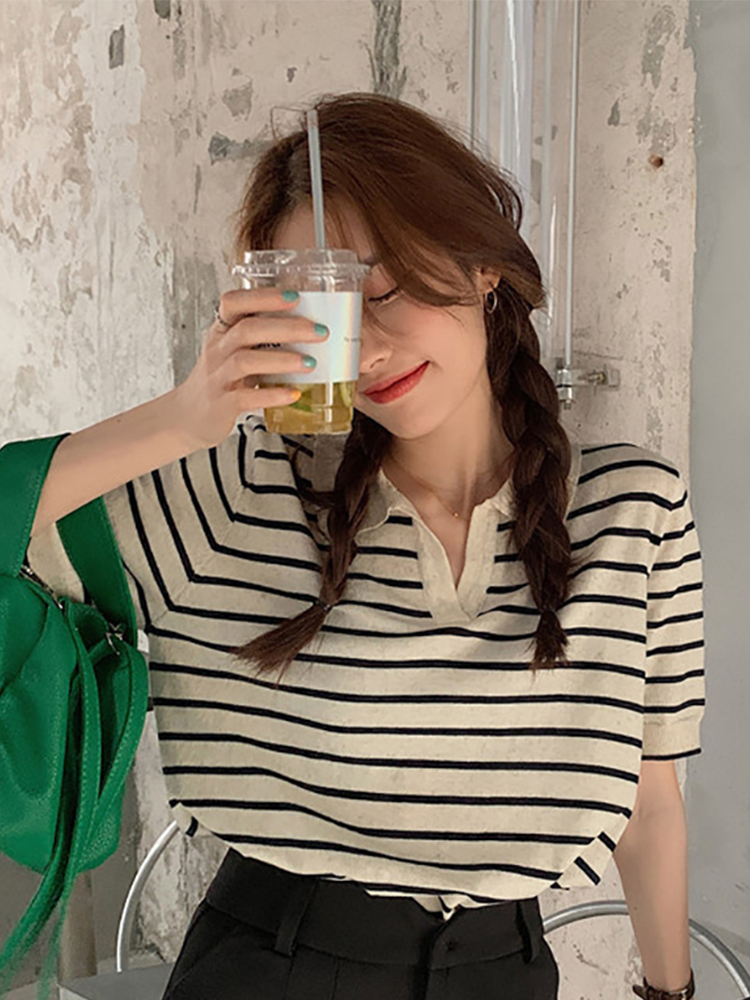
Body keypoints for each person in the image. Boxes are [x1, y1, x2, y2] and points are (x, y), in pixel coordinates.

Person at [24, 92, 704, 1000]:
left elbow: (649, 801)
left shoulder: (634, 510)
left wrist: (671, 992)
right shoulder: (236, 493)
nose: (367, 348)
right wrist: (181, 420)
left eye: (384, 291)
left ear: (484, 267)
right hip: (276, 968)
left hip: (507, 973)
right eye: (325, 310)